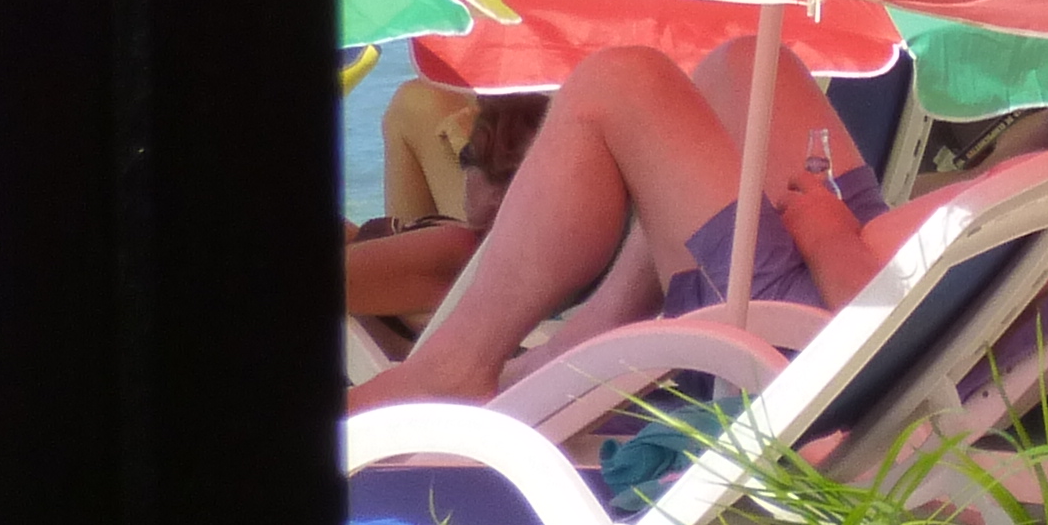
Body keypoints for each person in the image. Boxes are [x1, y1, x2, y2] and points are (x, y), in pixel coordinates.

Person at [343, 35, 888, 414]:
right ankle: (586, 336)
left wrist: (832, 240)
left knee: (621, 79)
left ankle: (454, 369)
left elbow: (884, 330)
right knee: (742, 61)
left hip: (826, 341)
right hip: (865, 275)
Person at [346, 83, 548, 333]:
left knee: (414, 100)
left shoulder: (458, 249)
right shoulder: (519, 258)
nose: (464, 173)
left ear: (497, 195)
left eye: (467, 156)